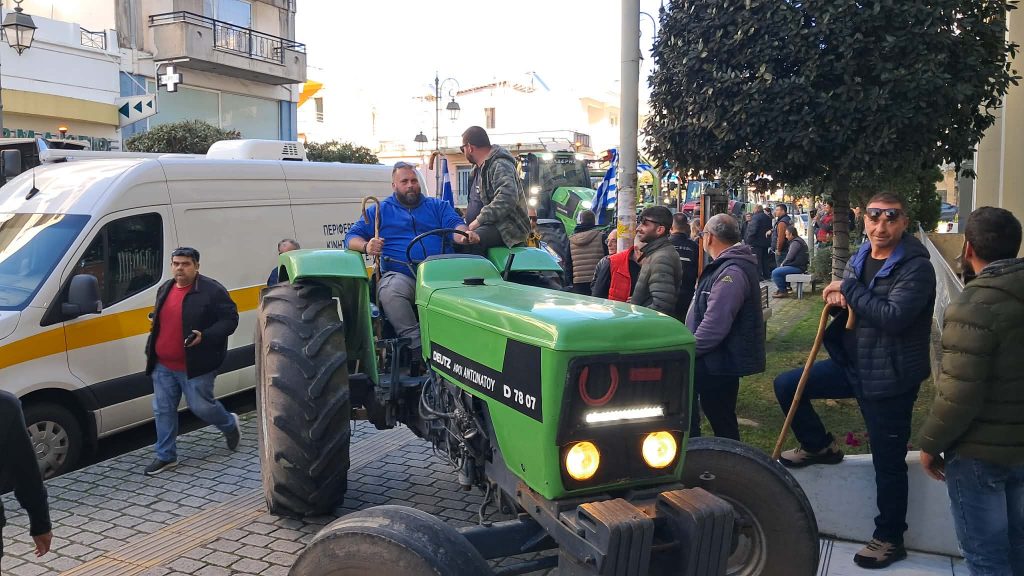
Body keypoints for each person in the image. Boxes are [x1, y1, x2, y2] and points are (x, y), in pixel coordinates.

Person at [773, 192, 935, 569]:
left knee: (888, 462)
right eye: (874, 218)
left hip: (889, 378)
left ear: (903, 222)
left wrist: (850, 291)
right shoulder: (863, 253)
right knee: (787, 385)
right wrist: (836, 292)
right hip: (853, 364)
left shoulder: (916, 267)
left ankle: (890, 538)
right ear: (865, 220)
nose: (881, 227)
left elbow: (893, 316)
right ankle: (820, 446)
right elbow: (849, 291)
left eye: (890, 219)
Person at [918, 207, 1024, 576]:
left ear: (968, 248)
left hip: (980, 455)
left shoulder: (972, 305)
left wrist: (930, 445)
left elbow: (959, 395)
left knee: (986, 557)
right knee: (1018, 548)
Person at [345, 162, 473, 363]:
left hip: (442, 274)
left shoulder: (438, 206)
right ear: (394, 185)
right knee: (390, 291)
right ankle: (418, 348)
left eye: (413, 180)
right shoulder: (379, 211)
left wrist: (464, 236)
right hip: (404, 275)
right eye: (404, 181)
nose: (410, 185)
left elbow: (455, 226)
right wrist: (367, 246)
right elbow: (351, 237)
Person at [144, 246, 242, 475]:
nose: (180, 268)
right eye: (176, 263)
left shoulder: (211, 290)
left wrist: (205, 336)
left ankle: (229, 424)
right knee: (163, 410)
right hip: (162, 364)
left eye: (185, 264)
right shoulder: (165, 288)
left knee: (201, 407)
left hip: (197, 364)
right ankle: (166, 456)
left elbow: (230, 320)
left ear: (196, 266)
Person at [685, 214, 764, 440]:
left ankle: (728, 464)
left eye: (701, 235)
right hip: (715, 360)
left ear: (709, 237)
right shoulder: (729, 265)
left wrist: (689, 349)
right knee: (719, 416)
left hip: (717, 363)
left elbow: (715, 324)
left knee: (721, 419)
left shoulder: (731, 271)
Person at [0, 391, 53, 563]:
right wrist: (41, 523)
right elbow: (24, 470)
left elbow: (24, 470)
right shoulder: (4, 404)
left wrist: (41, 523)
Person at [460, 126, 531, 252]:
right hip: (485, 226)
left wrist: (477, 221)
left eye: (462, 148)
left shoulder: (500, 164)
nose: (463, 151)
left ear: (470, 147)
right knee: (454, 241)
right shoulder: (477, 170)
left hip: (506, 228)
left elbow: (507, 198)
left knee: (470, 241)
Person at [631, 206, 682, 315]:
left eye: (644, 224)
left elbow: (661, 306)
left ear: (660, 230)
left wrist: (638, 313)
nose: (638, 228)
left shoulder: (661, 258)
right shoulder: (655, 254)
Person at [592, 231, 642, 302]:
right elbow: (596, 289)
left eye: (614, 241)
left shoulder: (636, 263)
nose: (609, 244)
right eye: (607, 241)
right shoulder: (605, 262)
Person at [567, 210, 606, 295]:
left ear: (581, 221)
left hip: (578, 283)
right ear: (594, 221)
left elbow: (568, 264)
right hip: (597, 280)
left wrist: (571, 282)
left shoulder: (571, 240)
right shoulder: (601, 237)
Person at [669, 212, 699, 319]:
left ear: (671, 227)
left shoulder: (664, 245)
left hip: (666, 295)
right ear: (687, 226)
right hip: (687, 296)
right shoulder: (695, 247)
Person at [770, 225, 810, 298]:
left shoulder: (795, 243)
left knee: (775, 272)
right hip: (800, 266)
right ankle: (782, 289)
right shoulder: (799, 240)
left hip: (798, 267)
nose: (786, 236)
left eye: (786, 234)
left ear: (791, 234)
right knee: (780, 271)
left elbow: (789, 257)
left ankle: (783, 291)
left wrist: (783, 264)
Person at [745, 204, 773, 280]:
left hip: (756, 243)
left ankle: (759, 277)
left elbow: (752, 231)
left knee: (757, 260)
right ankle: (767, 275)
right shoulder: (767, 217)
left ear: (756, 209)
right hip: (765, 242)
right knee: (765, 260)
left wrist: (748, 241)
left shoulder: (755, 218)